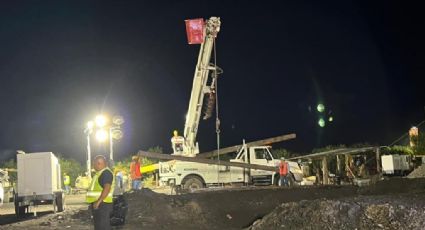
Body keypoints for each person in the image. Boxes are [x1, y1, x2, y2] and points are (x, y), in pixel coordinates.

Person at [86, 155, 114, 230]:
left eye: (94, 164)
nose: (93, 166)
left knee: (103, 227)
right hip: (100, 205)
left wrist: (98, 201)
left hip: (103, 205)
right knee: (99, 226)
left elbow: (107, 188)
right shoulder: (100, 173)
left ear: (99, 163)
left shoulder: (106, 173)